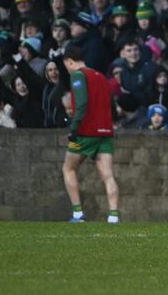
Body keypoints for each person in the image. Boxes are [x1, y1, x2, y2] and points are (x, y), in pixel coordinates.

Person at [61, 46, 119, 224]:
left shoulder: (78, 76)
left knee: (68, 168)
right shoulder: (100, 76)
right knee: (107, 175)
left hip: (86, 132)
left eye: (66, 65)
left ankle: (78, 214)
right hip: (106, 132)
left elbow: (82, 103)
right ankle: (113, 216)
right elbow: (111, 103)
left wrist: (74, 127)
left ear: (70, 61)